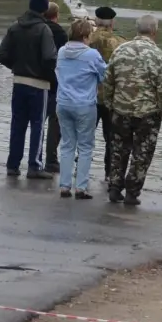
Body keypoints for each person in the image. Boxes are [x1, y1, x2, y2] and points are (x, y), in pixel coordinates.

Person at [102, 14, 162, 206]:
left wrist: (110, 103)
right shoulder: (159, 55)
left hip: (120, 109)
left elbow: (108, 80)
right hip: (147, 114)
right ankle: (132, 192)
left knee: (118, 149)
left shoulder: (120, 50)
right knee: (142, 153)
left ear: (136, 29)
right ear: (154, 31)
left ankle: (115, 187)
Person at [0, 0, 57, 179]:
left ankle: (13, 165)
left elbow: (2, 54)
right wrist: (49, 77)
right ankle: (34, 166)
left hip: (19, 82)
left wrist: (16, 66)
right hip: (39, 85)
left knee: (17, 124)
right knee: (38, 125)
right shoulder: (44, 30)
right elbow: (49, 57)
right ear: (44, 9)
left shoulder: (15, 27)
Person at [54, 18, 107, 199]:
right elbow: (103, 75)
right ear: (85, 35)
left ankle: (64, 186)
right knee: (85, 147)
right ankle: (81, 187)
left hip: (63, 103)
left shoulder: (61, 52)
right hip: (84, 105)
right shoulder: (91, 54)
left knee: (67, 145)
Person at [88, 6, 125, 179]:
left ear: (95, 21)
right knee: (111, 138)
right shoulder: (120, 43)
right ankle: (109, 173)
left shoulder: (86, 39)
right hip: (111, 98)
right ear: (112, 23)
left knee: (86, 136)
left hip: (89, 96)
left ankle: (82, 168)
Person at [42, 1, 68, 173]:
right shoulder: (61, 34)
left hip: (34, 80)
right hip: (55, 82)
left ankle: (30, 158)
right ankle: (51, 159)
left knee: (37, 122)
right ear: (56, 16)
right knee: (54, 122)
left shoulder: (34, 29)